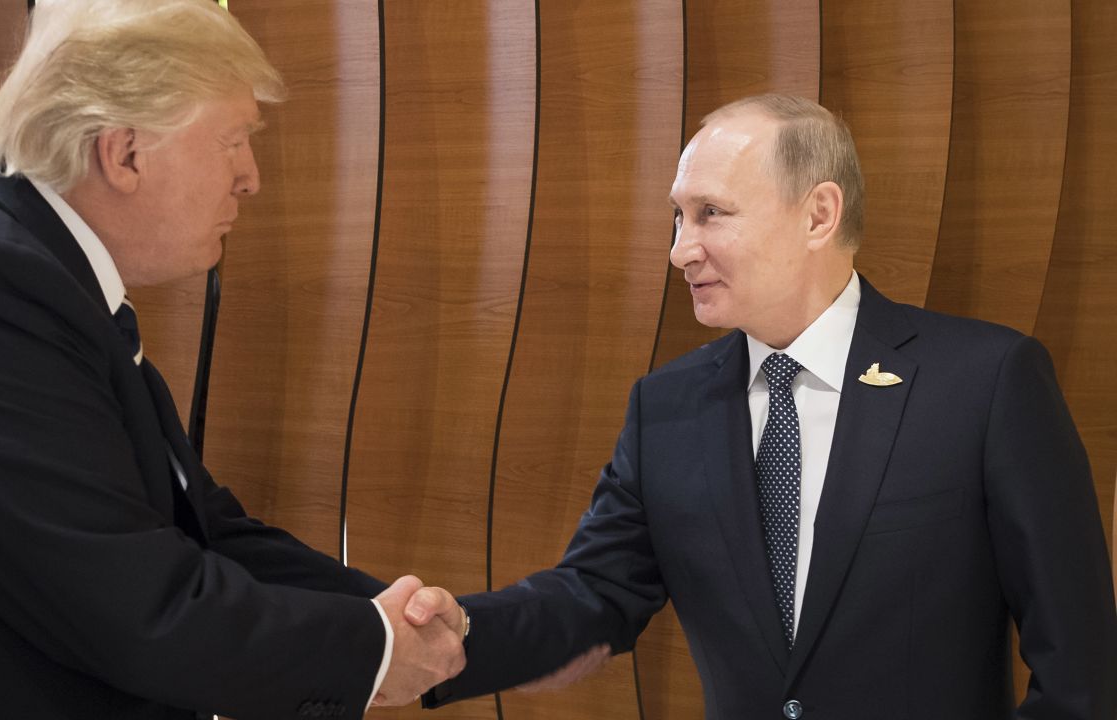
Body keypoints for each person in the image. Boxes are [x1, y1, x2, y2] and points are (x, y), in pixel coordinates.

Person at [0, 1, 464, 717]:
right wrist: (376, 645)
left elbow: (204, 530)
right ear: (125, 152)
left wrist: (405, 622)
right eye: (233, 142)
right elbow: (138, 612)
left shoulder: (20, 266)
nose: (251, 177)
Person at [421, 94, 1117, 718]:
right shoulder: (665, 408)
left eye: (710, 214)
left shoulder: (986, 382)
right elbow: (593, 595)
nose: (679, 250)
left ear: (818, 214)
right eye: (677, 217)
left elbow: (1079, 668)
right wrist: (456, 637)